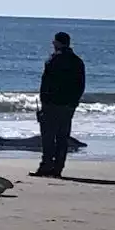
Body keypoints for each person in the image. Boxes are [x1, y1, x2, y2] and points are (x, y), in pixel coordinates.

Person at [33, 31, 86, 178]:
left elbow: (46, 84)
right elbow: (81, 85)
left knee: (48, 137)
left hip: (52, 104)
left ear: (57, 43)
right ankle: (58, 168)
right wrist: (74, 102)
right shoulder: (78, 61)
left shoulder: (53, 60)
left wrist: (44, 102)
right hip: (68, 105)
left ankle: (46, 166)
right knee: (63, 137)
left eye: (54, 42)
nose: (52, 44)